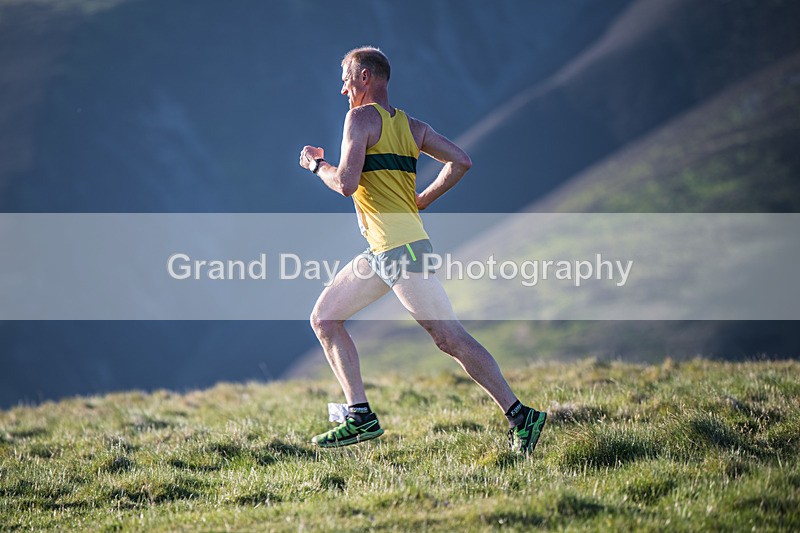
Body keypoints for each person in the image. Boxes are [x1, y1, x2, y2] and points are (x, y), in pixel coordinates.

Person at [298, 46, 546, 453]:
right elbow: (461, 161)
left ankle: (521, 415)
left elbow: (345, 183)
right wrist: (423, 199)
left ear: (363, 77)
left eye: (345, 79)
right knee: (324, 319)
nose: (343, 90)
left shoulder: (359, 118)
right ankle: (359, 415)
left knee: (448, 336)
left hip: (400, 250)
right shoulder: (413, 127)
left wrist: (315, 165)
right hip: (384, 249)